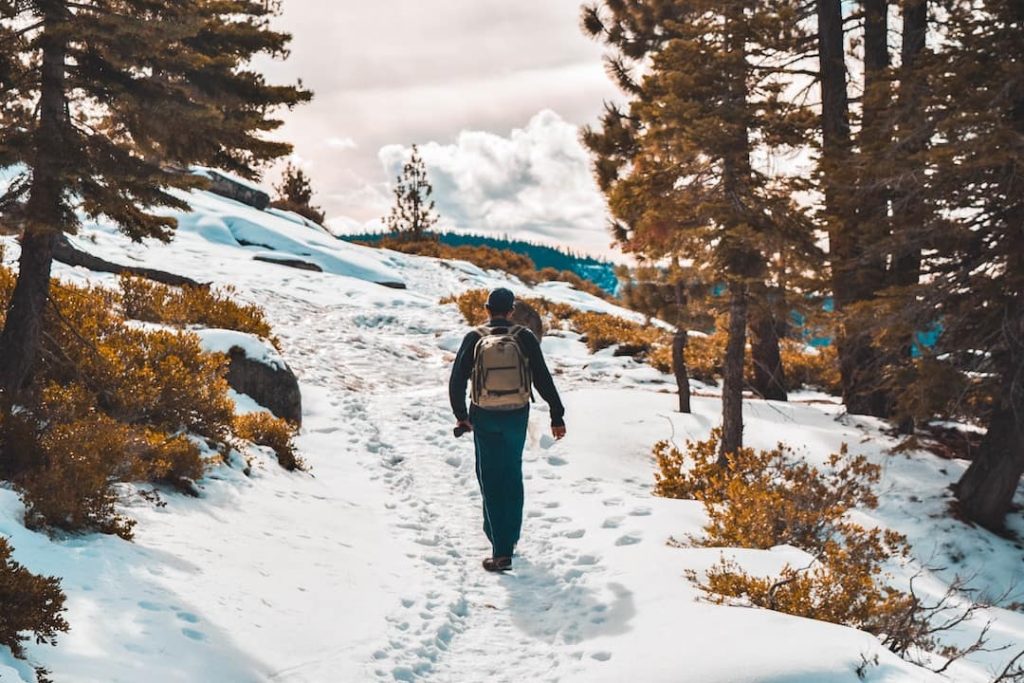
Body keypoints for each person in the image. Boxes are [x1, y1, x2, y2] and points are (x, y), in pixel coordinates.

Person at [449, 287, 566, 572]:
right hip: (516, 413)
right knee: (511, 473)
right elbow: (542, 379)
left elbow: (456, 381)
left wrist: (462, 416)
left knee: (489, 477)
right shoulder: (524, 336)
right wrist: (556, 414)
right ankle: (508, 537)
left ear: (487, 309)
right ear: (512, 310)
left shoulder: (474, 337)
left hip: (484, 414)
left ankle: (500, 550)